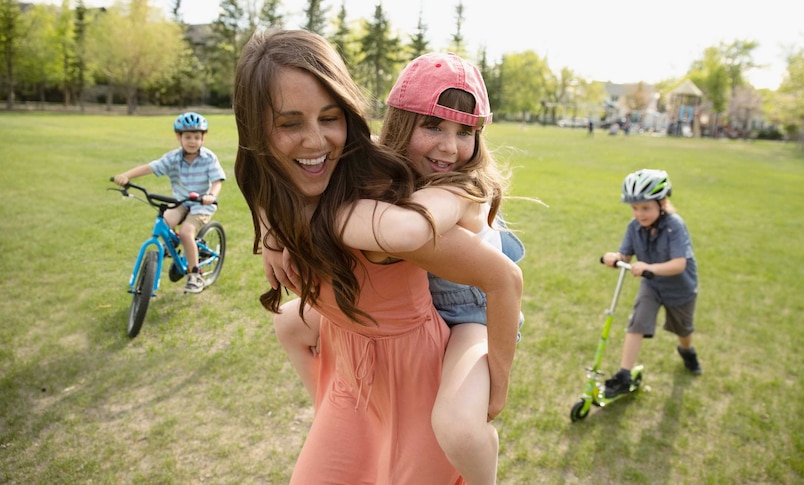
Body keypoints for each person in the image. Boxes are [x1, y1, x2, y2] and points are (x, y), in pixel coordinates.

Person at [233, 29, 522, 484]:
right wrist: (270, 226)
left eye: (329, 118)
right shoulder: (343, 174)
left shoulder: (396, 205)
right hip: (357, 362)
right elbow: (259, 174)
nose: (314, 141)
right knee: (289, 322)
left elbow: (495, 276)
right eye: (290, 123)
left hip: (456, 322)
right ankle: (331, 414)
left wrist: (498, 380)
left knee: (460, 429)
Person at [601, 168, 701, 399]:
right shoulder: (634, 226)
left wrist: (649, 268)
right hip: (651, 285)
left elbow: (678, 264)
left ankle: (686, 350)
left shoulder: (674, 226)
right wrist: (615, 258)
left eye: (645, 208)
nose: (639, 214)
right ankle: (624, 375)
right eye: (635, 208)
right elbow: (625, 256)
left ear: (662, 203)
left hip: (680, 288)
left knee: (683, 329)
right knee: (637, 322)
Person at [112, 112, 225, 294]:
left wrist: (211, 195)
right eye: (187, 137)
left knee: (187, 233)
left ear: (203, 138)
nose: (192, 141)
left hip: (201, 204)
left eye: (197, 137)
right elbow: (150, 167)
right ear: (178, 137)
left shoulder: (208, 158)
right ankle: (172, 246)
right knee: (164, 221)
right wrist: (126, 176)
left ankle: (195, 274)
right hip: (180, 202)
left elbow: (217, 181)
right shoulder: (173, 158)